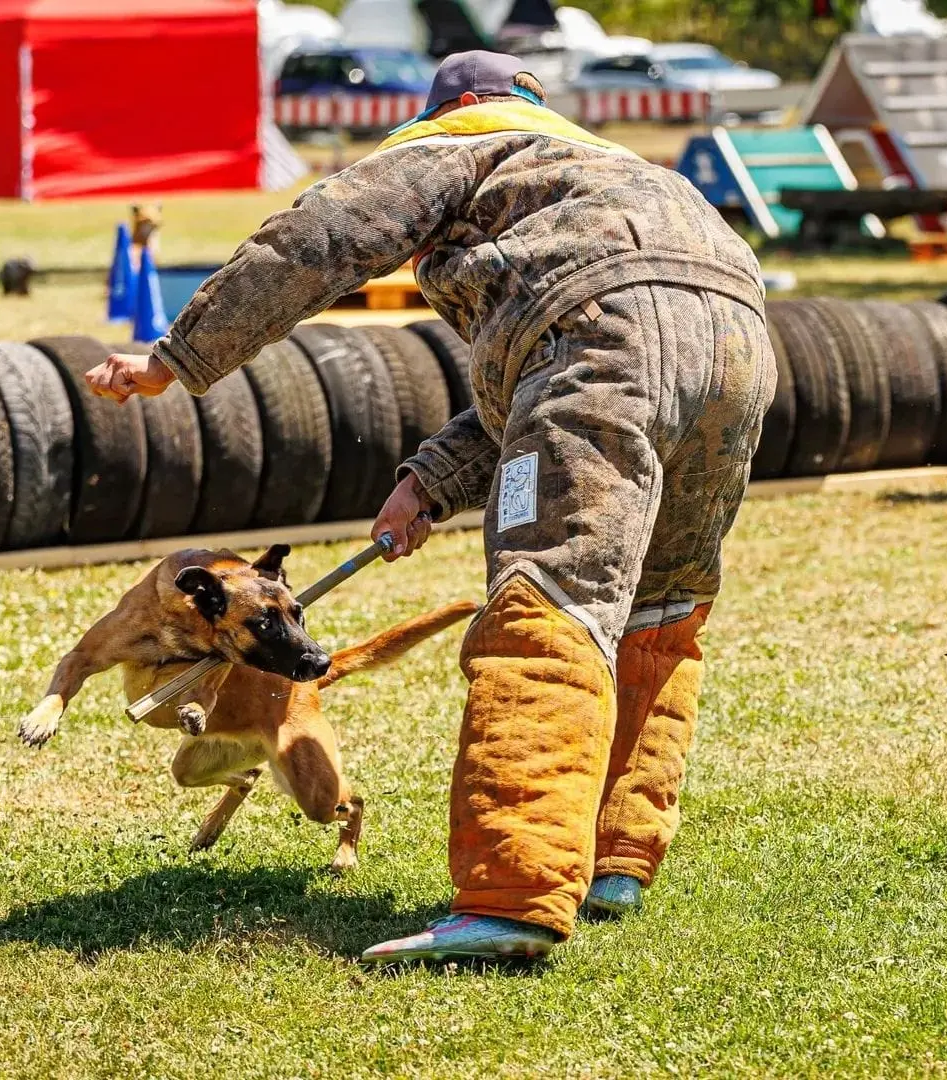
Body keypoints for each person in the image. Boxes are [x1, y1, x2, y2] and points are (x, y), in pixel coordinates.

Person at [86, 50, 775, 966]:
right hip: (740, 342)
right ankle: (618, 856)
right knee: (660, 607)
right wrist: (431, 481)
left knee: (548, 605)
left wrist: (176, 356)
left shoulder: (463, 144)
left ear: (452, 108)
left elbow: (319, 240)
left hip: (598, 336)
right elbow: (571, 363)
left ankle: (513, 893)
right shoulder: (615, 174)